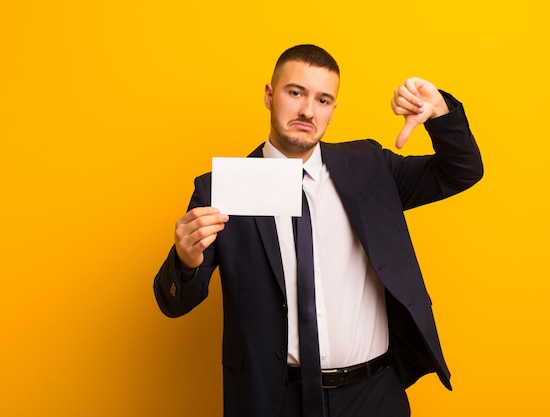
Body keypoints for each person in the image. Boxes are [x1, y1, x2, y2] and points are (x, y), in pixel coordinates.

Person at [154, 44, 483, 417]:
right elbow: (174, 302)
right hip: (276, 400)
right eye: (295, 93)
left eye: (323, 100)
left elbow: (461, 171)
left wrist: (439, 113)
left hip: (374, 395)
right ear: (269, 95)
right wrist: (185, 260)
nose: (308, 111)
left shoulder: (370, 168)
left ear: (332, 109)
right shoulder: (223, 189)